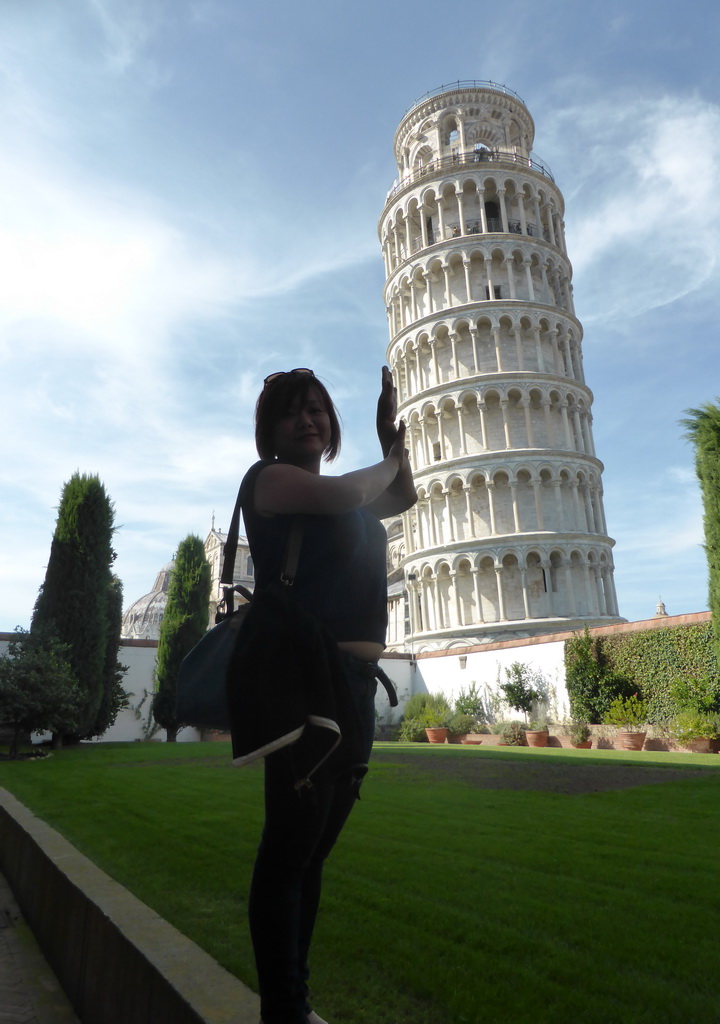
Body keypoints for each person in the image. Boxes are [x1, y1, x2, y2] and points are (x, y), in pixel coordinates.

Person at [235, 366, 416, 1024]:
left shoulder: (344, 493)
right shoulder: (272, 482)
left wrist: (390, 442)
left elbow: (403, 499)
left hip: (355, 687)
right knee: (288, 849)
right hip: (305, 680)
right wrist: (385, 460)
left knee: (312, 854)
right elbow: (350, 495)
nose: (308, 419)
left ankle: (293, 1004)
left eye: (317, 409)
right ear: (270, 431)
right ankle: (285, 1008)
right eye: (292, 412)